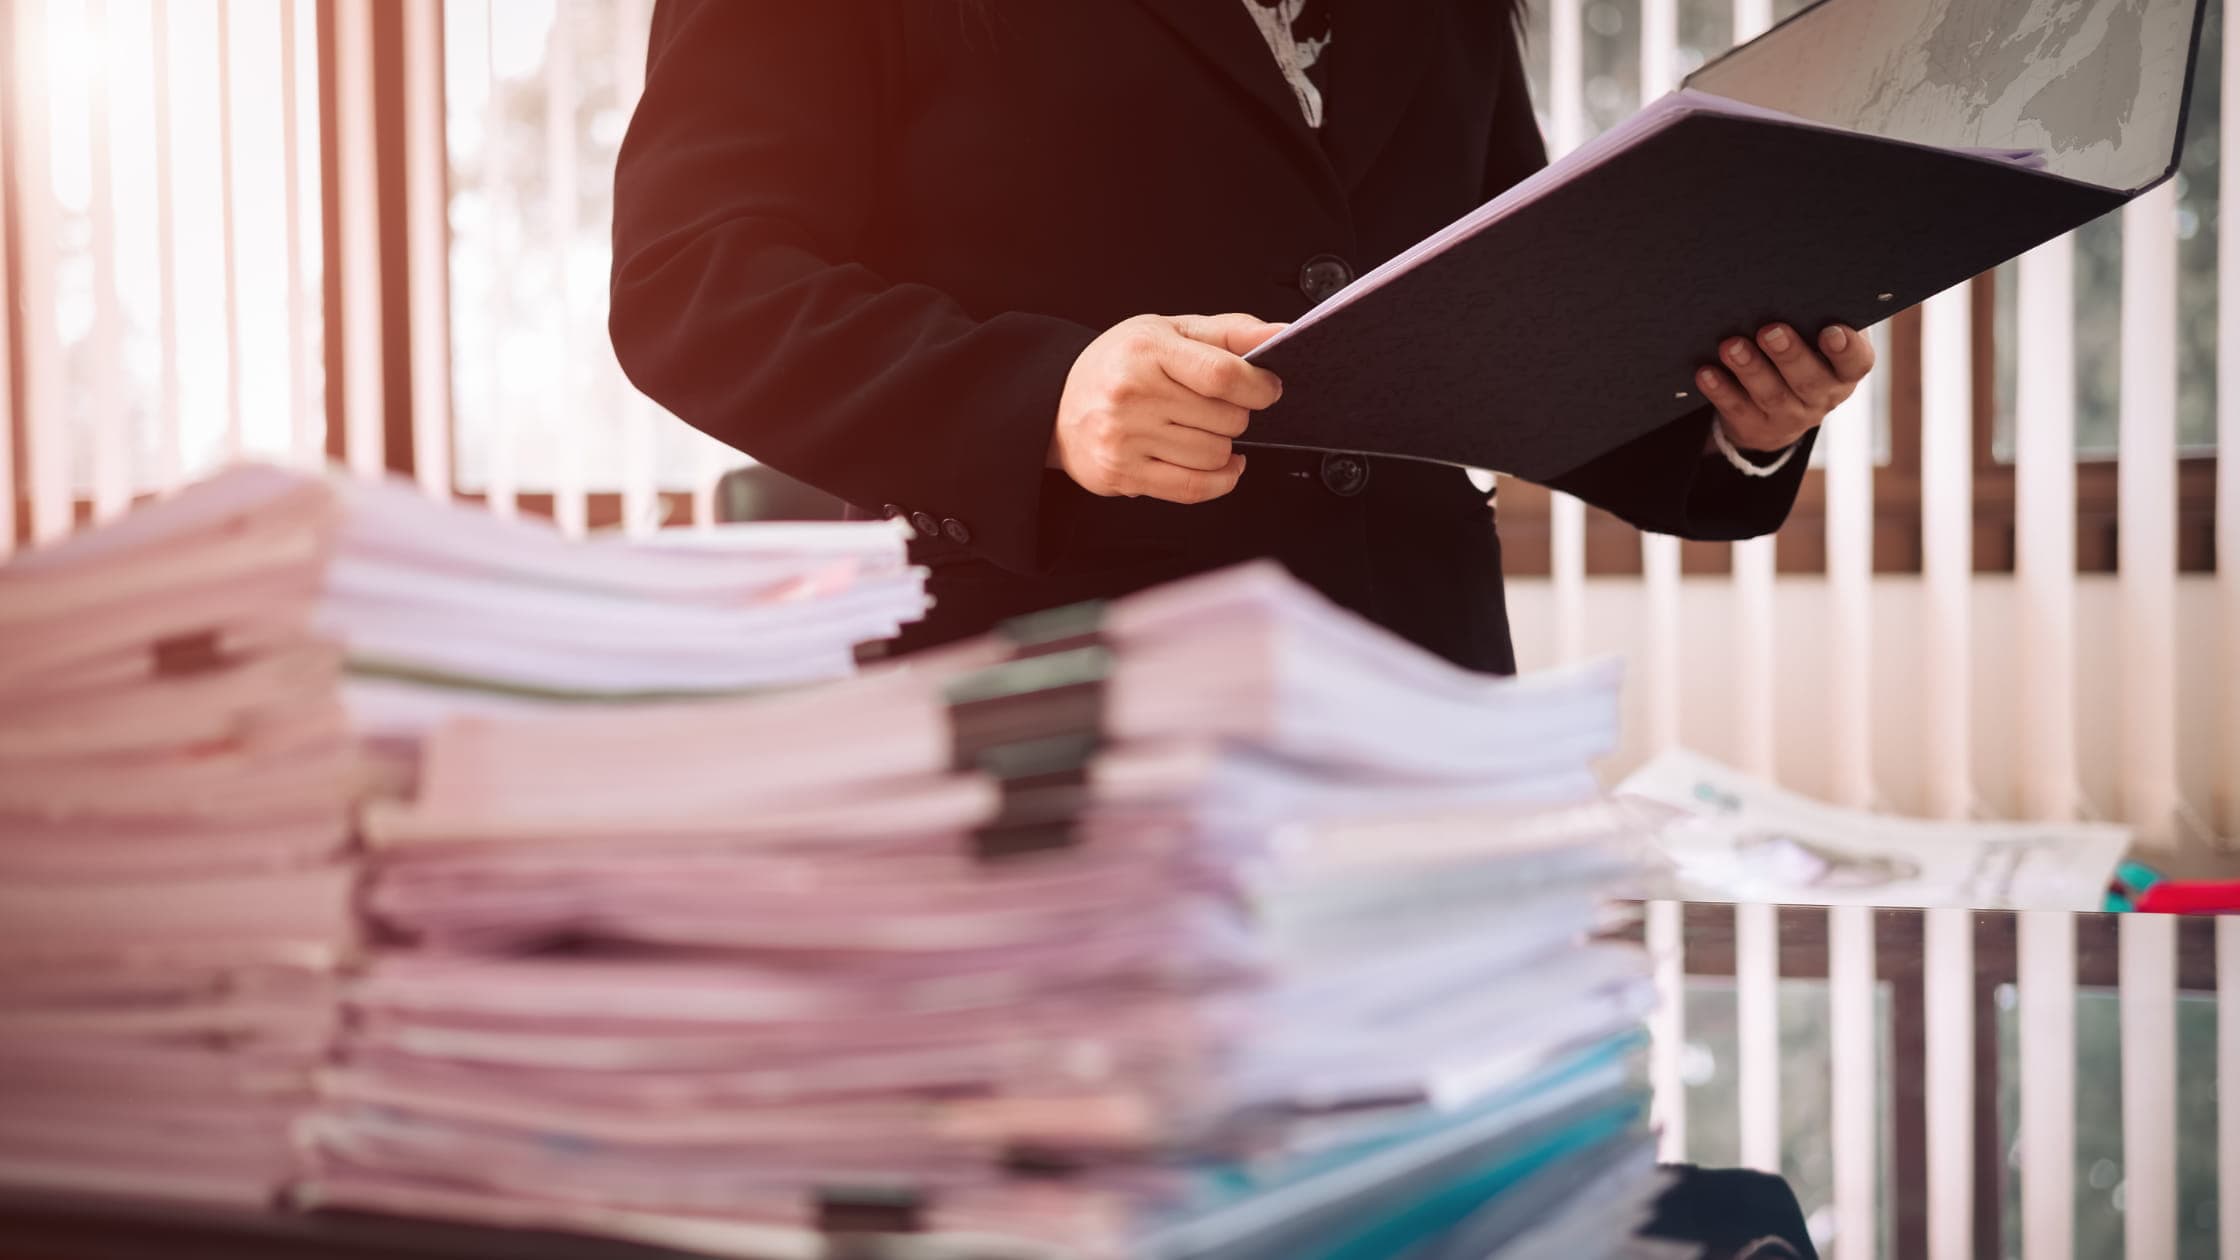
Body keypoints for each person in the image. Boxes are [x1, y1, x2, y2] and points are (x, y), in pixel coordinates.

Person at [610, 1, 1874, 673]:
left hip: (1418, 689)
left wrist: (1730, 417)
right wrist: (1042, 398)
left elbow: (1492, 310)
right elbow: (693, 280)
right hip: (1053, 693)